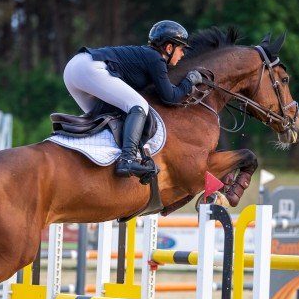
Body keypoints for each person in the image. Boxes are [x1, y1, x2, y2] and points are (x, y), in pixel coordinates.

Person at [63, 20, 203, 180]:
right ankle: (127, 159)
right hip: (89, 67)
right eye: (181, 49)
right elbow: (170, 97)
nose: (183, 54)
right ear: (169, 48)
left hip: (73, 69)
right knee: (139, 105)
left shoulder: (147, 55)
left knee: (104, 121)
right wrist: (189, 81)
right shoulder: (156, 58)